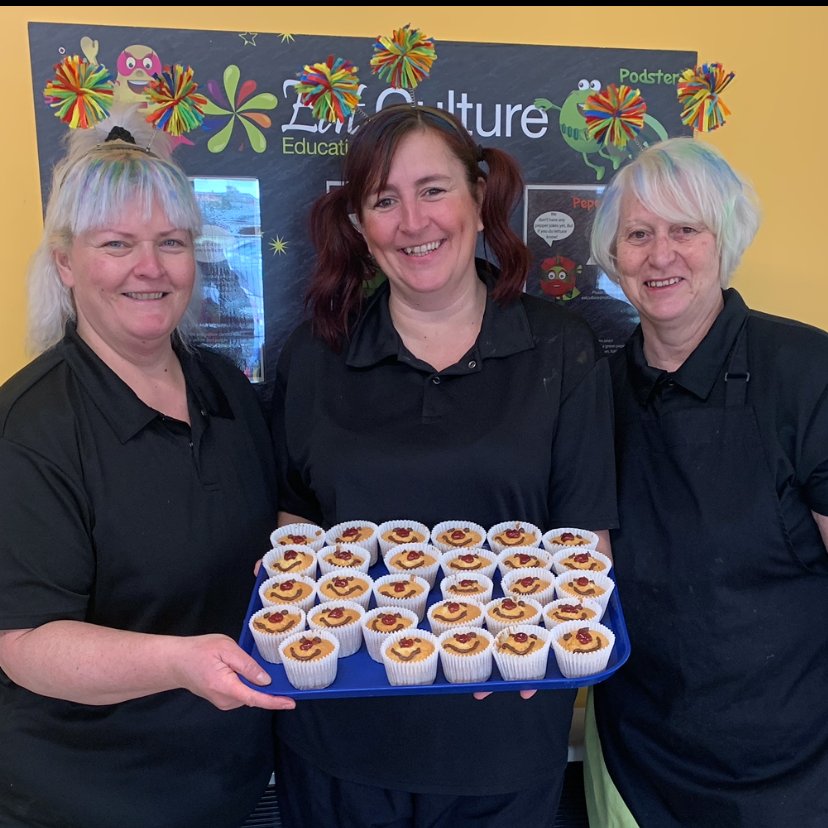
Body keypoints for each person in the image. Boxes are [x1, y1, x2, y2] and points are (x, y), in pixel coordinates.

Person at [270, 103, 618, 827]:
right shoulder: (314, 356)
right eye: (384, 200)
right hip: (340, 739)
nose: (413, 221)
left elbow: (585, 541)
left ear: (478, 198)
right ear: (359, 225)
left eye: (433, 190)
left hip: (504, 738)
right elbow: (295, 526)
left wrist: (554, 654)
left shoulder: (562, 348)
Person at [0, 111, 295, 828]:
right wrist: (177, 662)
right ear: (65, 263)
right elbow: (24, 644)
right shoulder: (31, 427)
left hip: (236, 782)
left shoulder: (225, 388)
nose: (150, 268)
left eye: (171, 242)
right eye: (116, 243)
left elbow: (272, 533)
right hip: (90, 799)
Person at [584, 136, 828, 826]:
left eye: (685, 230)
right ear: (614, 255)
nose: (660, 255)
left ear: (725, 241)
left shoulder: (807, 372)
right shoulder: (596, 394)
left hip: (799, 763)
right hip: (637, 756)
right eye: (639, 234)